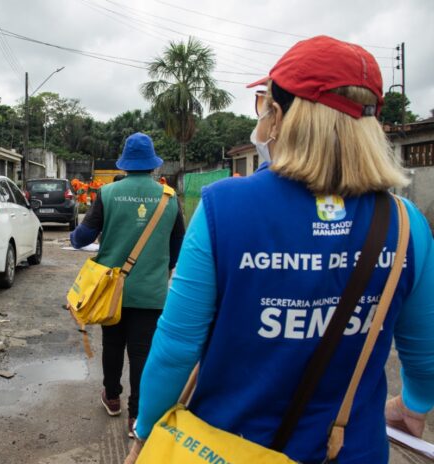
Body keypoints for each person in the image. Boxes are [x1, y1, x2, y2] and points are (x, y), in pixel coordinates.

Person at [128, 35, 434, 464]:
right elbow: (425, 353)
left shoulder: (223, 208)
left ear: (283, 115)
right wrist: (414, 405)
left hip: (224, 449)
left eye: (264, 104)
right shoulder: (406, 225)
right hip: (351, 450)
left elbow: (177, 348)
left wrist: (146, 433)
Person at [70, 132, 186, 438]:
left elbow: (81, 238)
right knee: (141, 353)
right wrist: (163, 267)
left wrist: (74, 235)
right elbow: (178, 245)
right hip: (151, 290)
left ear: (125, 162)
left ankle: (112, 397)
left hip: (111, 290)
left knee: (113, 345)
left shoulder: (107, 194)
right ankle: (137, 417)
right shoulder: (170, 198)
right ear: (152, 165)